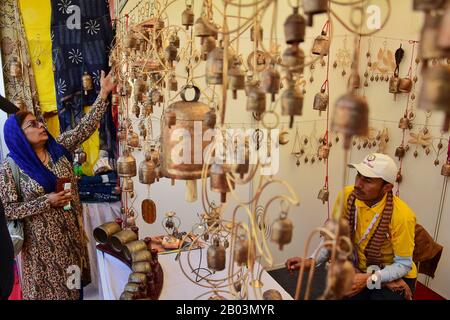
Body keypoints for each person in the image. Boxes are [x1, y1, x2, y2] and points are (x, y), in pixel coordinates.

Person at [0, 70, 115, 300]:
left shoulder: (58, 149)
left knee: (73, 293)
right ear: (19, 135)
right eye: (33, 124)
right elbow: (9, 209)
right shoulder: (10, 167)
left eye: (39, 121)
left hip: (70, 243)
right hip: (41, 255)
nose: (41, 126)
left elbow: (84, 128)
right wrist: (46, 201)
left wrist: (103, 94)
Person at [286, 153, 417, 300]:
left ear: (387, 187)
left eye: (367, 180)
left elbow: (403, 264)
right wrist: (312, 260)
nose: (358, 184)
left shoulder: (402, 216)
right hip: (360, 268)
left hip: (391, 272)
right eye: (358, 176)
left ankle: (385, 284)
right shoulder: (347, 195)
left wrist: (369, 279)